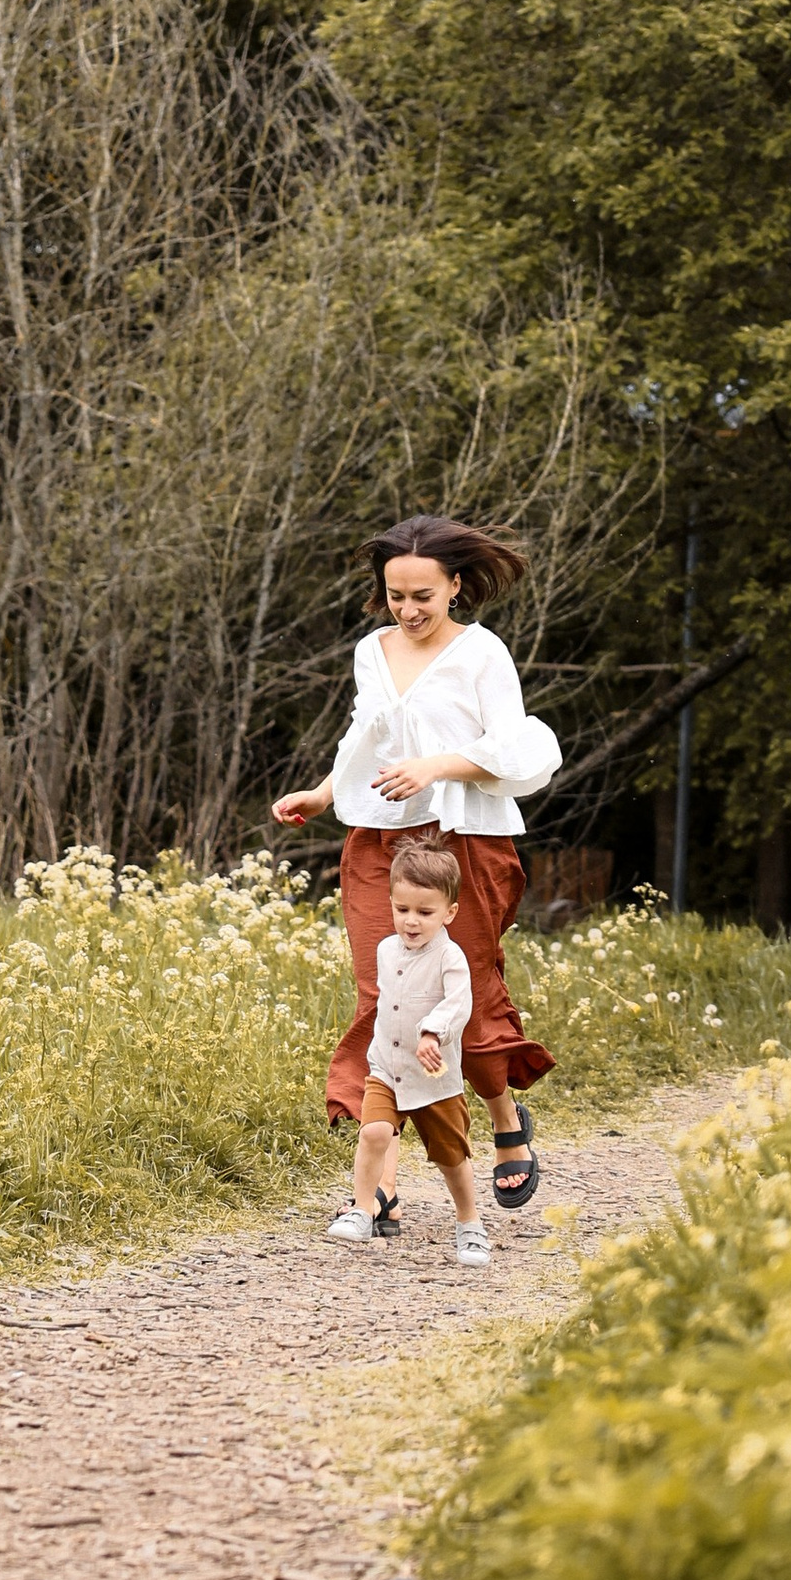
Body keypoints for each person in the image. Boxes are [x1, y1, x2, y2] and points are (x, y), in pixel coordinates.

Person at [272, 511, 561, 1210]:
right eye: (396, 595)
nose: (408, 610)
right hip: (380, 838)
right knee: (387, 993)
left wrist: (436, 767)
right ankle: (383, 1182)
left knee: (469, 988)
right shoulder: (372, 651)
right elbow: (365, 737)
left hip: (465, 837)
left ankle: (503, 1122)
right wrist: (322, 792)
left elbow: (519, 748)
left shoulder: (482, 654)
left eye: (423, 597)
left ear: (455, 586)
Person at [326, 834, 490, 1261]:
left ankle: (469, 1222)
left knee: (451, 1156)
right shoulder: (384, 949)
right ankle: (362, 1211)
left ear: (449, 913)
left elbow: (459, 1004)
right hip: (387, 1067)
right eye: (402, 910)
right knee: (375, 1130)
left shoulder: (449, 958)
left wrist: (432, 1033)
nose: (411, 921)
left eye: (424, 912)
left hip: (434, 1077)